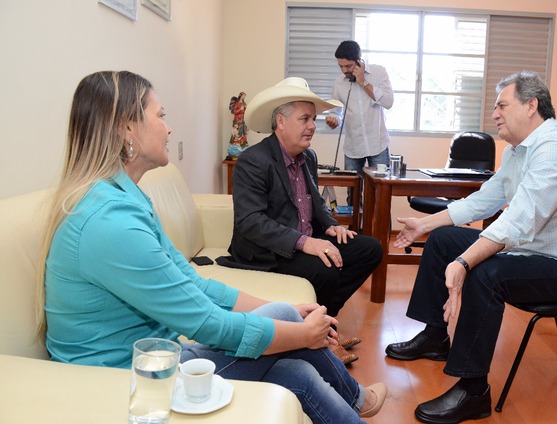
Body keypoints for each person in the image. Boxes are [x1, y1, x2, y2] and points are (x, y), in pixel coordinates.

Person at [36, 71, 386, 423]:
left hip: (155, 359)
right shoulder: (111, 222)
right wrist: (301, 333)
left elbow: (195, 282)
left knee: (296, 370)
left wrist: (290, 312)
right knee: (285, 323)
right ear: (128, 129)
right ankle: (356, 399)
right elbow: (208, 324)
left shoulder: (125, 199)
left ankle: (354, 403)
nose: (169, 128)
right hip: (123, 380)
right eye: (161, 115)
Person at [384, 71, 557, 423]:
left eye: (502, 104)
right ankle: (435, 336)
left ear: (531, 106)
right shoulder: (520, 150)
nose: (495, 114)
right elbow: (485, 201)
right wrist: (424, 225)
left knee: (486, 270)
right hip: (535, 254)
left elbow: (519, 220)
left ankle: (474, 392)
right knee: (443, 239)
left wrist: (463, 263)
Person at [216, 77, 383, 365]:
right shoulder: (252, 161)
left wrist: (330, 225)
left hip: (303, 238)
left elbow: (312, 200)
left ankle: (323, 327)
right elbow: (250, 221)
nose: (312, 126)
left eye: (314, 119)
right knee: (325, 268)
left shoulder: (309, 157)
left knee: (370, 249)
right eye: (305, 118)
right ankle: (321, 338)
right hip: (265, 250)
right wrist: (307, 243)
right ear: (280, 121)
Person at [326, 40, 394, 205]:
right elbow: (337, 111)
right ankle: (356, 231)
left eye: (348, 66)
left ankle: (380, 232)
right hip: (353, 147)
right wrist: (334, 120)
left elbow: (388, 102)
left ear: (358, 61)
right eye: (340, 66)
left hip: (377, 144)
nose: (344, 71)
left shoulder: (379, 72)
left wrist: (362, 81)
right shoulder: (339, 83)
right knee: (354, 197)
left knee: (381, 195)